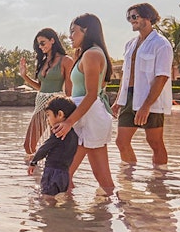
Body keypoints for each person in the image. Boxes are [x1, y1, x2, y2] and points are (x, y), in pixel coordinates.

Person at [51, 14, 116, 195]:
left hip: (87, 117)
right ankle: (114, 214)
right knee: (104, 181)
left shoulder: (92, 55)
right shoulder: (87, 54)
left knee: (62, 172)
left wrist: (69, 122)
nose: (70, 36)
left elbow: (91, 95)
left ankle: (62, 217)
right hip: (88, 116)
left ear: (86, 30)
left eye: (73, 31)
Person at [112, 3, 173, 168]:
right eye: (129, 17)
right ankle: (129, 179)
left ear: (148, 17)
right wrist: (118, 99)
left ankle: (160, 178)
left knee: (154, 142)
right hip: (129, 97)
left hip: (150, 99)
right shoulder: (130, 44)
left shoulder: (161, 44)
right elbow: (126, 74)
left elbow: (162, 77)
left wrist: (146, 106)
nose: (131, 20)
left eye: (134, 16)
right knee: (121, 141)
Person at [18, 28, 74, 157]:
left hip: (55, 106)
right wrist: (24, 76)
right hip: (40, 104)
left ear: (52, 40)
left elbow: (69, 91)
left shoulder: (66, 60)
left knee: (55, 143)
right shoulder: (43, 61)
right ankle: (37, 171)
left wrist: (68, 115)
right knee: (28, 146)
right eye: (38, 44)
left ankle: (50, 171)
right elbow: (41, 87)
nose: (40, 46)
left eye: (43, 43)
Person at [27, 96, 79, 199]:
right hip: (64, 174)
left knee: (48, 199)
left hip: (52, 172)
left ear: (60, 114)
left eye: (48, 115)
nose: (47, 119)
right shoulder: (74, 135)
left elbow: (44, 148)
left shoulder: (58, 133)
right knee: (61, 197)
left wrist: (34, 162)